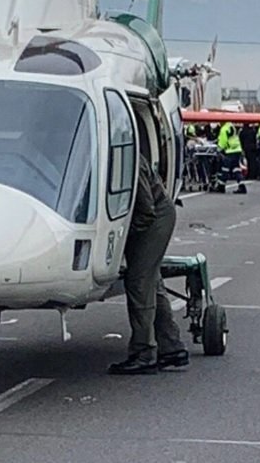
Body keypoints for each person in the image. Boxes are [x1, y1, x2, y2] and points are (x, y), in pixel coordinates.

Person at [109, 158, 188, 375]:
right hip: (153, 214)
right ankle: (171, 346)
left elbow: (146, 211)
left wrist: (122, 237)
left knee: (139, 282)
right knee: (151, 281)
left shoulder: (128, 161)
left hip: (154, 219)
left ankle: (143, 353)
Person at [216, 121, 246, 194]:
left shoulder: (224, 129)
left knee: (225, 169)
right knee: (236, 169)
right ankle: (242, 186)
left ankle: (221, 186)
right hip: (237, 149)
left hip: (230, 151)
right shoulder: (231, 126)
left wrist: (218, 149)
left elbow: (223, 141)